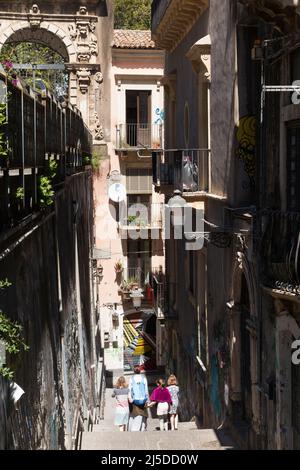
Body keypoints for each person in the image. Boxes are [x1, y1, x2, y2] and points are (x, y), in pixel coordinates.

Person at [128, 365, 149, 432]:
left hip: (135, 399)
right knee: (143, 413)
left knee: (135, 413)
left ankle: (135, 428)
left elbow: (129, 389)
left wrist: (130, 398)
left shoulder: (131, 379)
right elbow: (146, 390)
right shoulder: (144, 378)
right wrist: (147, 399)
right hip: (143, 399)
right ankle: (143, 427)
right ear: (140, 370)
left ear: (133, 371)